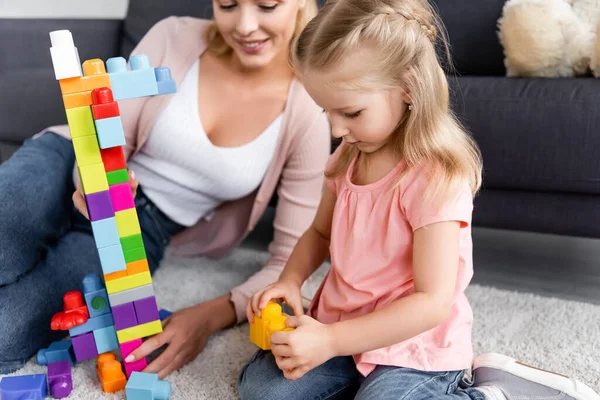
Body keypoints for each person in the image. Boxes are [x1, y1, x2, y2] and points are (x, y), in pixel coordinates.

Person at [238, 0, 600, 399]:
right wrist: (290, 280)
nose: (337, 129)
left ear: (408, 89)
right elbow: (320, 231)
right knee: (264, 392)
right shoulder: (347, 157)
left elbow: (432, 303)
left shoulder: (435, 178)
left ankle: (493, 391)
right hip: (341, 327)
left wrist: (332, 342)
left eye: (351, 112)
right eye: (326, 111)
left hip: (413, 344)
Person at [0, 0, 330, 378]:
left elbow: (288, 262)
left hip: (143, 229)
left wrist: (210, 316)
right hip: (67, 163)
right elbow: (110, 134)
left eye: (267, 5)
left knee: (8, 332)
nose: (245, 25)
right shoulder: (173, 35)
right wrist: (91, 182)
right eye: (228, 4)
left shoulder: (309, 112)